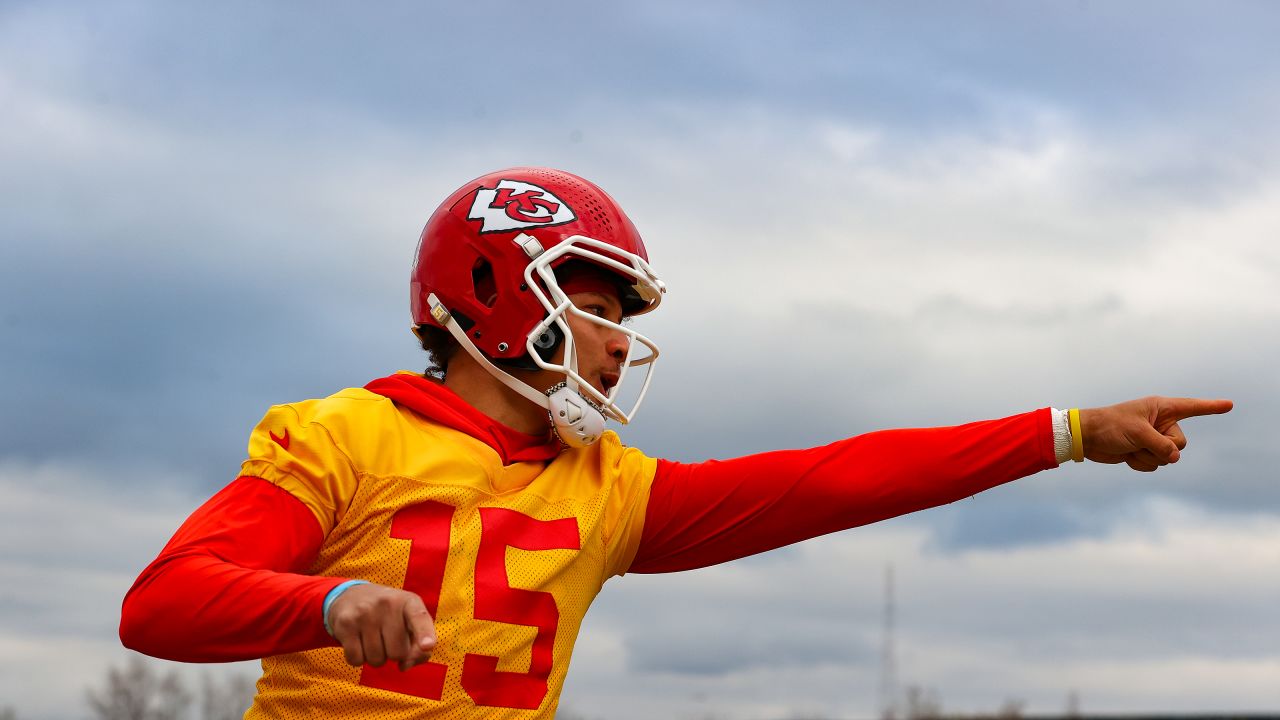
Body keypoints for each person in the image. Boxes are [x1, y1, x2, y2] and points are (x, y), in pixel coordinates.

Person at [120, 167, 1232, 719]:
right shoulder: (345, 438)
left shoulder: (604, 489)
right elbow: (161, 604)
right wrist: (323, 603)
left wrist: (1070, 433)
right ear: (493, 290)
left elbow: (830, 479)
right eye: (598, 304)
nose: (617, 342)